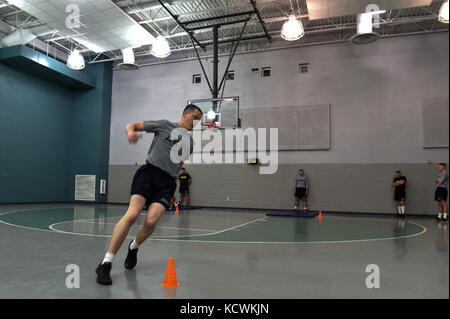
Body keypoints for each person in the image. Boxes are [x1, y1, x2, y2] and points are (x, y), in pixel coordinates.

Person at [95, 104, 203, 285]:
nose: (197, 122)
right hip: (148, 173)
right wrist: (130, 133)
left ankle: (134, 247)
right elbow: (132, 126)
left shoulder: (190, 143)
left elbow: (178, 163)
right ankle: (106, 263)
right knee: (132, 214)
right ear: (185, 113)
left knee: (151, 221)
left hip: (167, 183)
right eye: (196, 117)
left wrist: (173, 187)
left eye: (200, 119)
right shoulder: (163, 125)